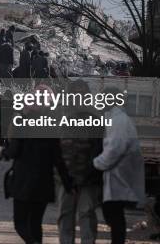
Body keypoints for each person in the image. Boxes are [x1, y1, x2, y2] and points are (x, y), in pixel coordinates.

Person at [2, 91, 73, 244]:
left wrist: (4, 152)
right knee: (35, 223)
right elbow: (58, 160)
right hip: (44, 184)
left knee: (20, 223)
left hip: (23, 183)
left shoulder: (22, 123)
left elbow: (13, 151)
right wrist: (68, 183)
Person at [93, 87, 145, 244]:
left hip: (119, 176)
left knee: (114, 216)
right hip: (118, 175)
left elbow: (115, 148)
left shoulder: (119, 120)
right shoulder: (114, 118)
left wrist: (96, 163)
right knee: (114, 216)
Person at [58, 80, 103, 244]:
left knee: (87, 215)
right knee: (66, 216)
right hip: (67, 179)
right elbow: (59, 151)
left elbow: (99, 153)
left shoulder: (96, 122)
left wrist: (85, 177)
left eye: (82, 95)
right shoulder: (64, 120)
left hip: (88, 180)